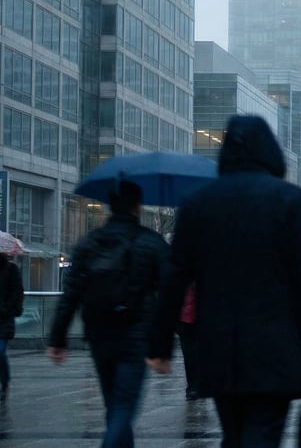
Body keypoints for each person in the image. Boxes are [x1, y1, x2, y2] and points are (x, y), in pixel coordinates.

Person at [147, 116, 301, 447]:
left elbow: (175, 278)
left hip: (219, 346)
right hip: (274, 345)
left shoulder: (198, 202)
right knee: (263, 432)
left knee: (233, 433)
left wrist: (160, 343)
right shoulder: (288, 199)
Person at [49, 179, 169, 448]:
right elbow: (169, 293)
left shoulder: (89, 243)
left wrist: (57, 338)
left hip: (99, 334)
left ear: (110, 207)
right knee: (123, 406)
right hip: (136, 336)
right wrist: (164, 344)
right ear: (137, 207)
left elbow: (71, 293)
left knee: (114, 406)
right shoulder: (151, 242)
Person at [0, 252, 24, 402]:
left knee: (0, 351)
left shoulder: (10, 269)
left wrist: (7, 309)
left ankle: (5, 382)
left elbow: (17, 292)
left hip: (3, 318)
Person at [177, 283, 199, 401]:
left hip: (184, 315)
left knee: (189, 354)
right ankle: (194, 386)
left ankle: (193, 387)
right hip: (187, 315)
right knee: (191, 354)